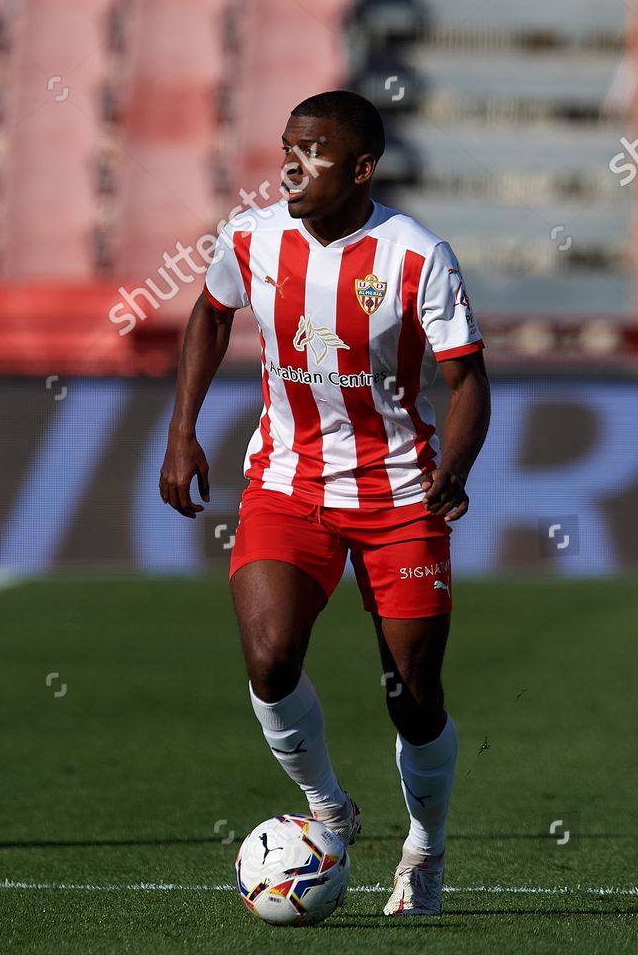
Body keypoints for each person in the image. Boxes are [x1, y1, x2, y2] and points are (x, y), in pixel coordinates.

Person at [159, 90, 491, 916]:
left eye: (311, 152)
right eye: (285, 148)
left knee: (412, 697)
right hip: (286, 483)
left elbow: (468, 380)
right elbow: (208, 312)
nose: (290, 166)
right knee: (270, 658)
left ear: (361, 168)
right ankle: (331, 809)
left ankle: (426, 849)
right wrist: (182, 430)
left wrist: (456, 462)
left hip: (398, 494)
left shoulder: (416, 256)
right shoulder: (251, 236)